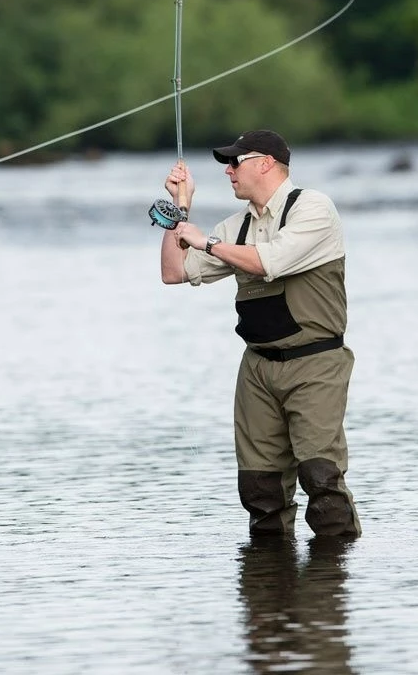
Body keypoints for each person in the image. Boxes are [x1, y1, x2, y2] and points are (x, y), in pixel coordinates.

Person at [160, 129, 361, 538]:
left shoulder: (314, 208)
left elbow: (270, 261)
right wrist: (180, 208)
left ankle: (334, 572)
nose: (228, 171)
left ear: (266, 163)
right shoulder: (236, 226)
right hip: (257, 369)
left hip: (315, 363)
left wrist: (206, 242)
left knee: (320, 479)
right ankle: (270, 575)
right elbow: (173, 272)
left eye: (236, 161)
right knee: (259, 488)